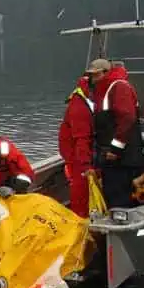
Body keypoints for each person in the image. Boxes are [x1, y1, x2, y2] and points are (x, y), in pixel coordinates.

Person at [87, 58, 144, 209]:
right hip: (111, 157)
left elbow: (127, 118)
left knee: (120, 197)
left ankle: (123, 225)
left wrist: (115, 149)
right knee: (112, 193)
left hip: (123, 159)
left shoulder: (119, 87)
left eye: (95, 75)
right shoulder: (103, 90)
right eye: (91, 75)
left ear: (106, 73)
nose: (92, 79)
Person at [57, 74, 95, 218]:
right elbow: (81, 139)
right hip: (77, 159)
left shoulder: (81, 100)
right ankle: (81, 225)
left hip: (77, 156)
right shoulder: (79, 106)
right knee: (80, 195)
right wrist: (86, 165)